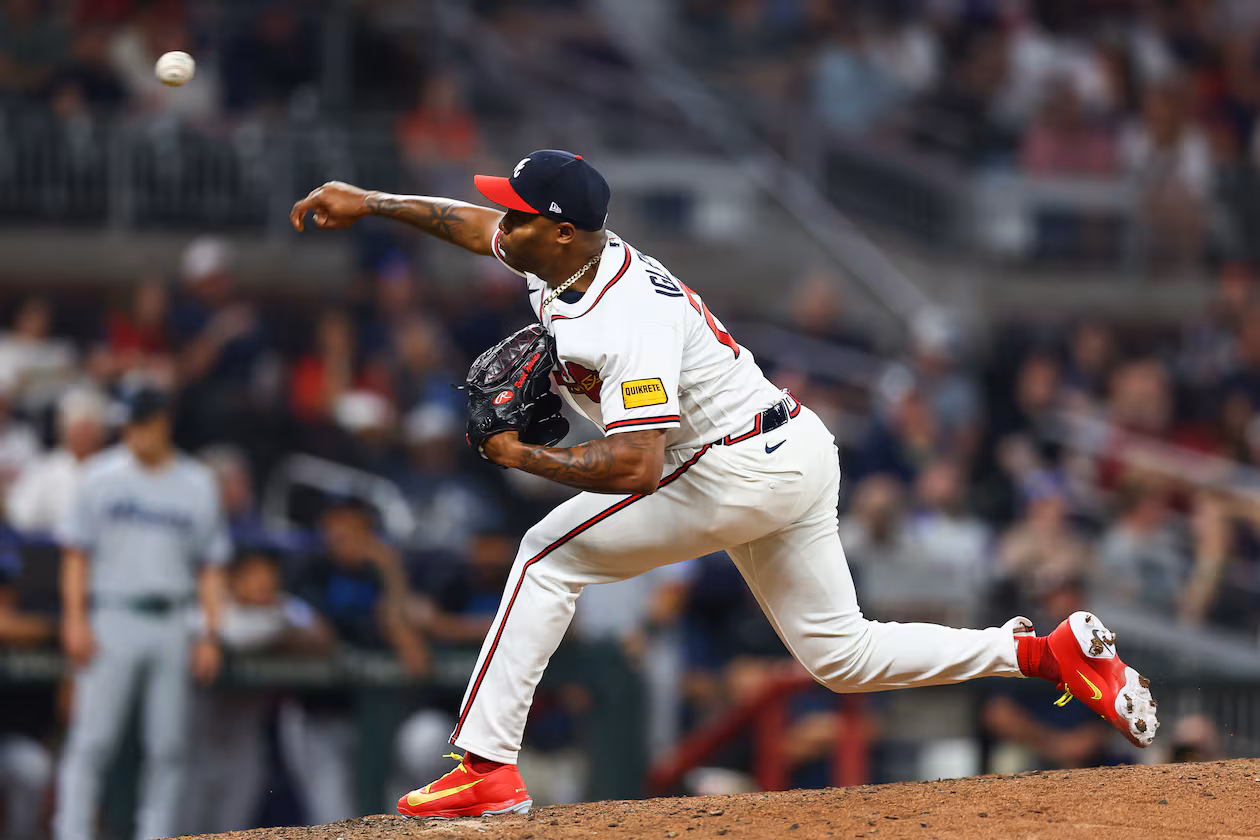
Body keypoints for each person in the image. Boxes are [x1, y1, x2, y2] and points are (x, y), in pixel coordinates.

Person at [290, 149, 1158, 821]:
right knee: (843, 657)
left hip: (736, 463)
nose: (501, 225)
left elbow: (638, 466)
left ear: (559, 231)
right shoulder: (556, 254)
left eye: (517, 214)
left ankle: (486, 769)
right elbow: (468, 224)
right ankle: (1043, 655)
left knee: (545, 555)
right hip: (787, 449)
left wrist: (523, 458)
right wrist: (371, 202)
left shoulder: (626, 318)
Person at [54, 386, 231, 840]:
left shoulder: (197, 482)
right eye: (129, 423)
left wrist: (210, 633)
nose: (134, 431)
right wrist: (75, 619)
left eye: (143, 422)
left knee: (168, 747)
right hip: (112, 615)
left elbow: (211, 568)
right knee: (92, 741)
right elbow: (76, 555)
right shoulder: (100, 475)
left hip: (174, 618)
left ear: (163, 423)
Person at [8, 386, 108, 534]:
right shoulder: (46, 467)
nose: (83, 438)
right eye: (76, 430)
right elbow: (21, 514)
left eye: (88, 431)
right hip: (50, 542)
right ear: (64, 432)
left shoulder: (111, 467)